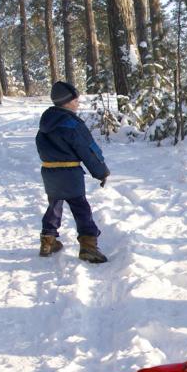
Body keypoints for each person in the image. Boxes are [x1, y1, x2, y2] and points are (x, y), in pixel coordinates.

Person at [36, 81, 111, 263]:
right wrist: (101, 171)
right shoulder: (71, 123)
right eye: (75, 99)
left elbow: (41, 146)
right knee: (80, 207)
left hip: (49, 171)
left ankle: (48, 241)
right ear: (67, 102)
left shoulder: (46, 122)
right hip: (69, 172)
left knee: (54, 205)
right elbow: (88, 148)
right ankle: (88, 247)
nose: (78, 101)